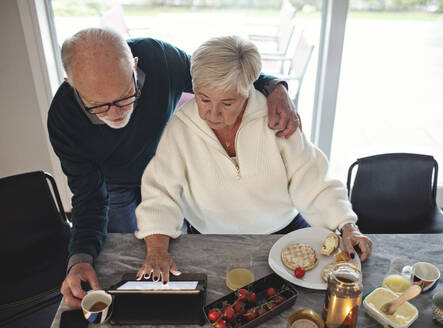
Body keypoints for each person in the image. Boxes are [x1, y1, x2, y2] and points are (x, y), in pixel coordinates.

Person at [47, 28, 300, 307]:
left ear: (134, 66)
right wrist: (79, 260)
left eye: (125, 95)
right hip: (114, 182)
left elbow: (220, 78)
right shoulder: (63, 121)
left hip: (165, 166)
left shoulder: (160, 59)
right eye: (99, 106)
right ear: (71, 84)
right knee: (126, 259)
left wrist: (276, 87)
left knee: (173, 250)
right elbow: (88, 199)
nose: (117, 113)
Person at [135, 36, 372, 284]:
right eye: (204, 99)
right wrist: (157, 250)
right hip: (211, 240)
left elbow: (312, 178)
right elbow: (161, 192)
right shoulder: (181, 128)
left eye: (227, 102)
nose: (212, 114)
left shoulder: (275, 119)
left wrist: (346, 225)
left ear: (248, 89)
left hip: (282, 236)